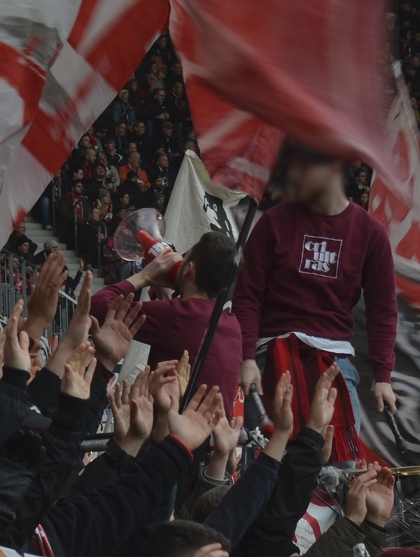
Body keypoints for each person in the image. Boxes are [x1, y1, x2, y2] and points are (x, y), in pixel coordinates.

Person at [232, 143, 398, 463]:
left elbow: (383, 310)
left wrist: (383, 377)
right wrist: (246, 356)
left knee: (340, 470)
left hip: (334, 362)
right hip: (270, 357)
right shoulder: (273, 222)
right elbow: (247, 296)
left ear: (334, 168)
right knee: (263, 468)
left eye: (304, 168)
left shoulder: (370, 232)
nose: (294, 176)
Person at [88, 230, 242, 395]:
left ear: (189, 269)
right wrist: (165, 298)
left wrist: (144, 276)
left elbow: (94, 305)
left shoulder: (176, 314)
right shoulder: (233, 324)